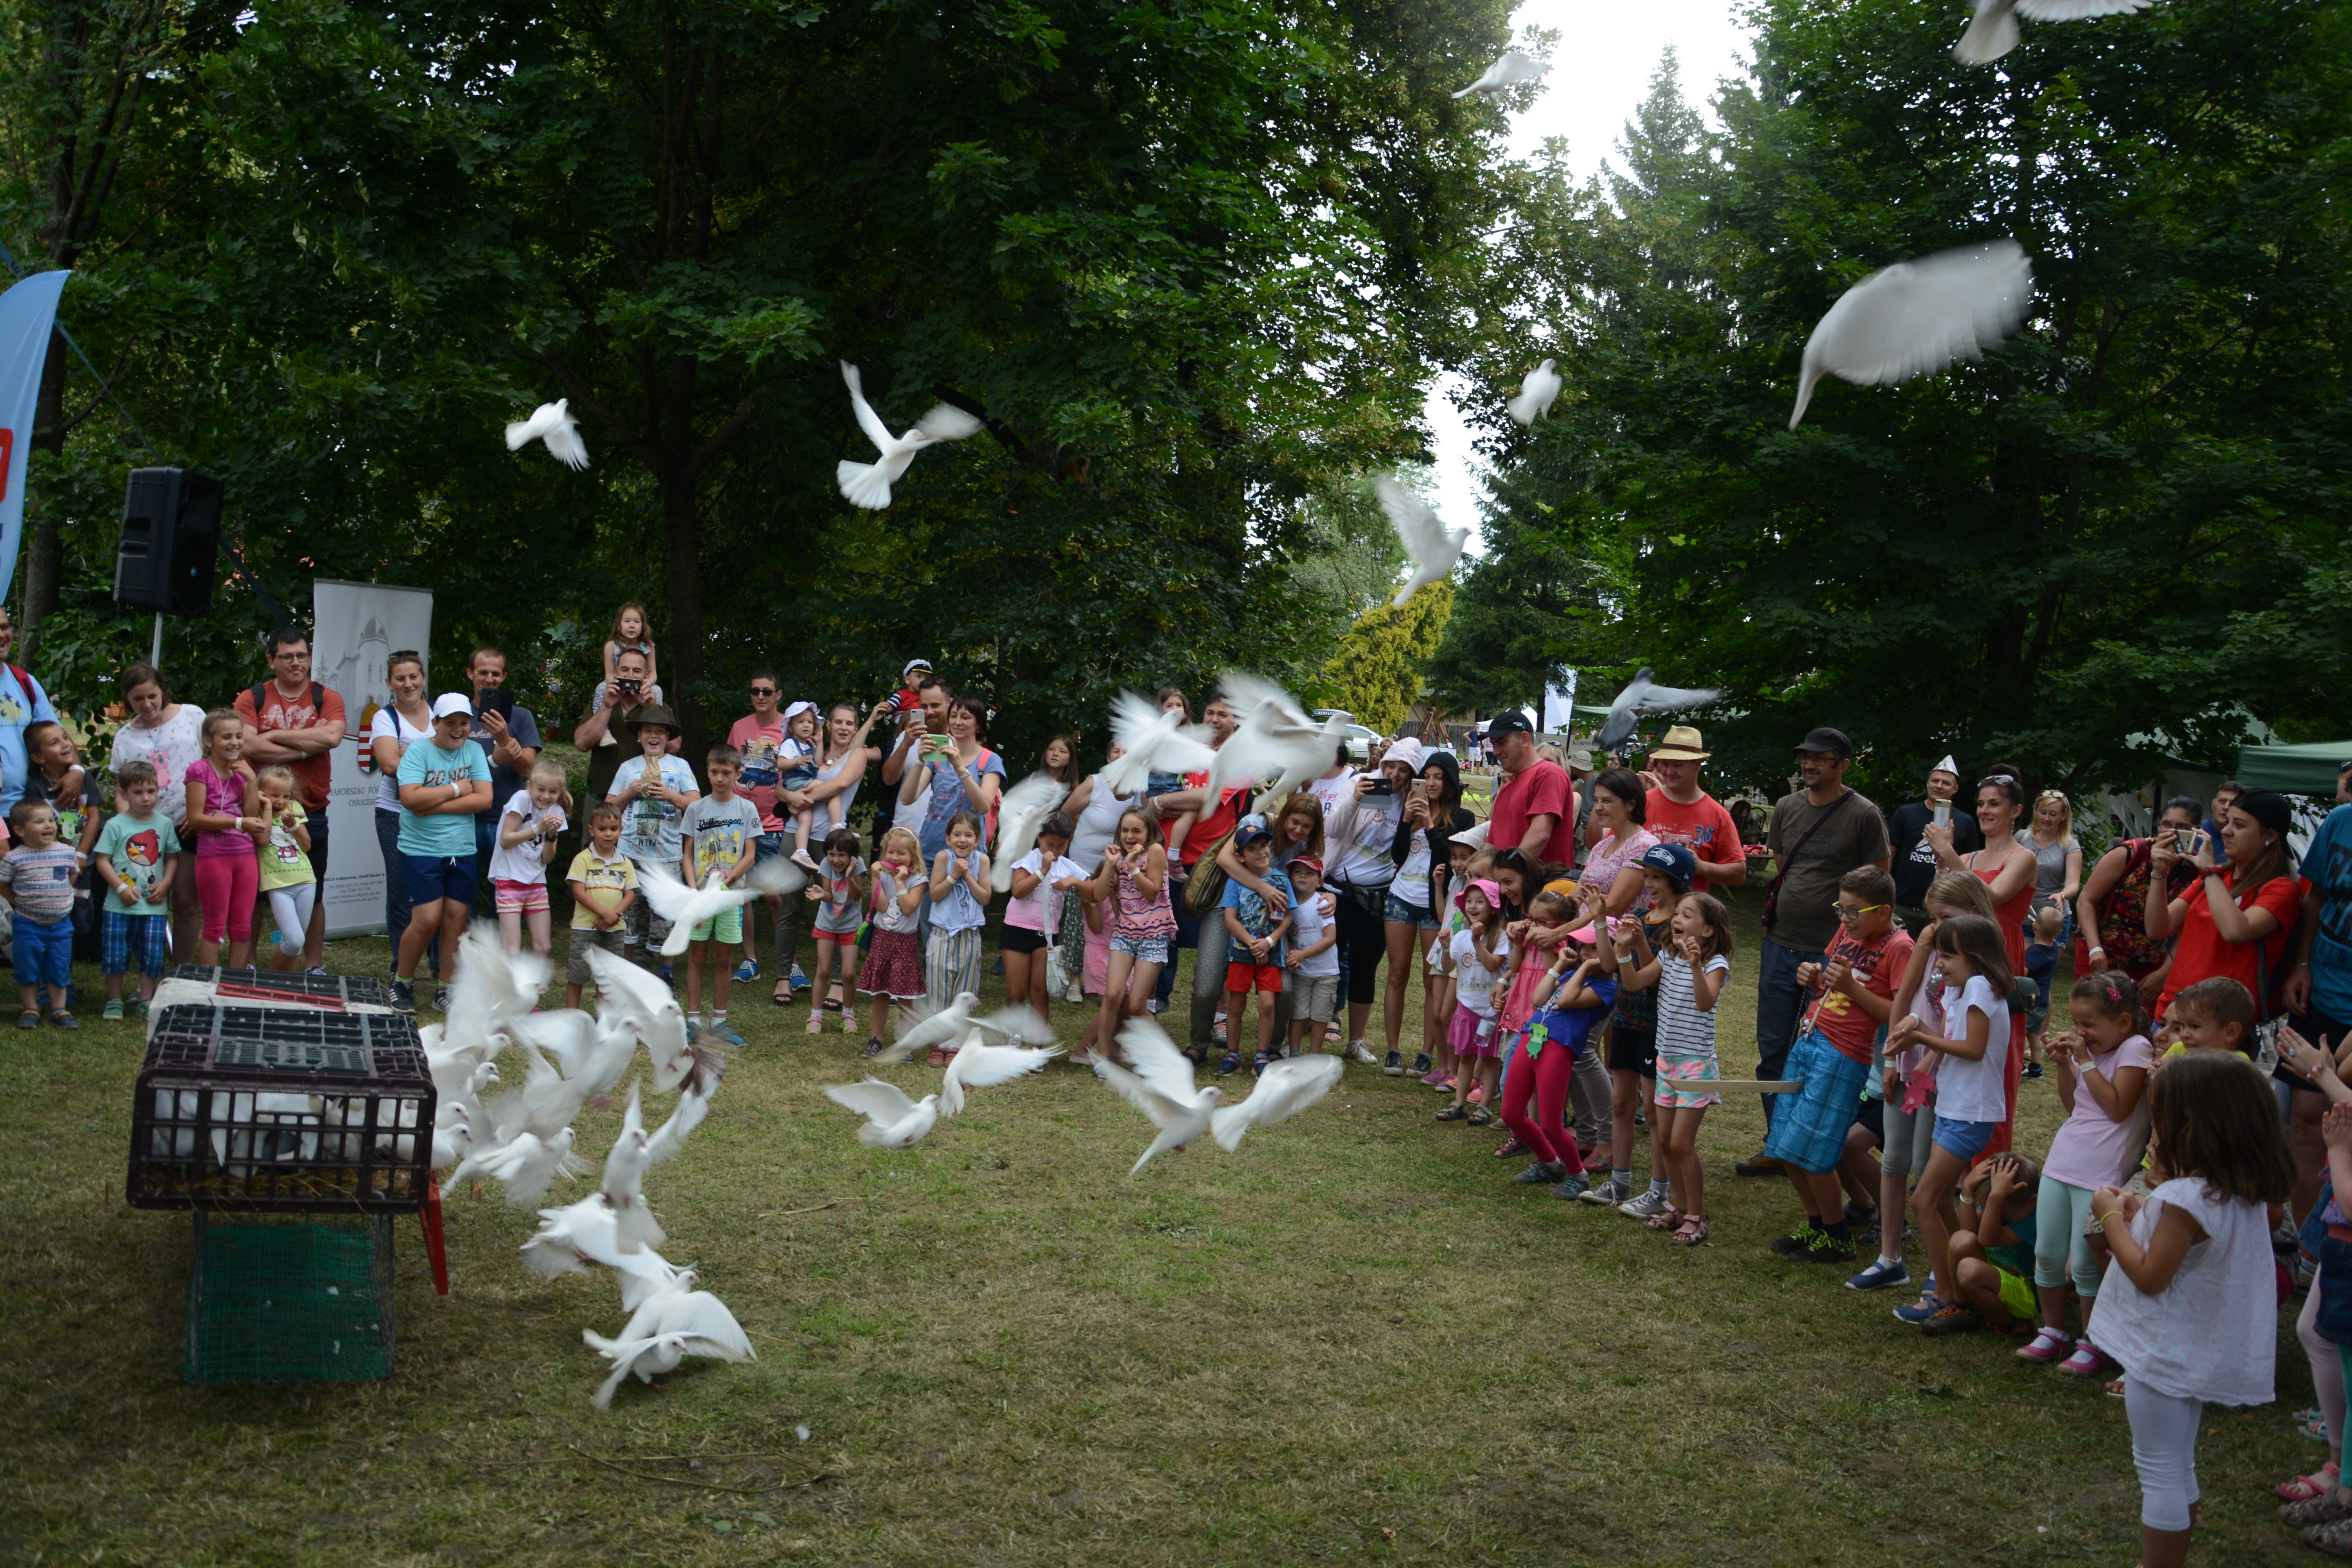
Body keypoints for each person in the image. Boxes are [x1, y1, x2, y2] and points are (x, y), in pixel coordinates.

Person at [2090, 1052, 2292, 1568]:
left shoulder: (2184, 1198)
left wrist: (2111, 1217)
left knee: (2158, 1469)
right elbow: (2187, 1250)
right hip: (2193, 1353)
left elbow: (2151, 1276)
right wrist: (2140, 1213)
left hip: (2163, 1357)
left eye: (2162, 1119)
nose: (2154, 1132)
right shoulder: (2237, 1193)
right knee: (2179, 1466)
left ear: (2192, 1126)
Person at [2144, 786, 2304, 1208]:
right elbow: (2158, 928)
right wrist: (2159, 874)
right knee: (2159, 1132)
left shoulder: (2281, 888)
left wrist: (2211, 873)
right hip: (2172, 1013)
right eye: (2226, 822)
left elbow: (2236, 929)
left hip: (2220, 1029)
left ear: (2270, 835)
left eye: (2239, 825)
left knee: (2199, 1135)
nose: (2226, 831)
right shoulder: (2215, 875)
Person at [1745, 727, 1891, 1173]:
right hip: (1780, 942)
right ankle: (1779, 1143)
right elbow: (1785, 864)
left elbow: (1879, 883)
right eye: (1805, 757)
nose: (1809, 765)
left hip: (1836, 954)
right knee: (1773, 1048)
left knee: (1824, 1053)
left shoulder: (1864, 814)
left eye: (1820, 758)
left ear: (1843, 763)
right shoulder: (1787, 807)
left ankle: (1818, 1149)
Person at [1852, 870, 2003, 1296]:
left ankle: (1947, 1268)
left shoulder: (1976, 963)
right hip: (1908, 1061)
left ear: (1973, 914)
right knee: (1894, 1157)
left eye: (1945, 917)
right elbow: (1904, 999)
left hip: (1941, 1073)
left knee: (1926, 1169)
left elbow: (1960, 1033)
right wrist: (1895, 1058)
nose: (1936, 926)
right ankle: (1889, 1256)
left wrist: (1926, 1064)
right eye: (1932, 917)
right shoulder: (1931, 943)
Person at [1765, 865, 1910, 1266]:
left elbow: (1898, 1013)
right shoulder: (1850, 931)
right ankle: (1816, 1223)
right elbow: (1828, 981)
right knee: (1785, 1143)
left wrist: (1851, 988)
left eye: (1853, 911)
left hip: (1844, 1055)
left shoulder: (1900, 947)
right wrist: (1813, 976)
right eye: (1840, 909)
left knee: (1814, 1150)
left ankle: (1837, 1235)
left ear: (1883, 912)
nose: (1844, 919)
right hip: (1810, 1039)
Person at [2014, 971, 2155, 1368]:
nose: (2081, 1031)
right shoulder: (2093, 1055)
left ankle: (2093, 1339)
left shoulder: (2136, 1049)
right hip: (2065, 1160)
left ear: (2123, 1022)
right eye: (2076, 1023)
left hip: (2102, 1171)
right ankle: (2054, 1330)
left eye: (2089, 1024)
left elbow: (2117, 1108)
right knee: (2047, 1252)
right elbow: (2078, 1108)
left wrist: (2085, 1059)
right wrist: (2065, 1066)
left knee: (2084, 1262)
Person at [1891, 912, 2011, 1328]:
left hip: (1970, 1112)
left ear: (1975, 956)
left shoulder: (1979, 986)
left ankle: (1946, 1295)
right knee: (1937, 1197)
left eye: (1947, 955)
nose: (1939, 964)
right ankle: (1962, 1285)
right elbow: (1954, 1038)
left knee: (1924, 1199)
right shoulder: (1965, 989)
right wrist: (1919, 1025)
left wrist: (1922, 1036)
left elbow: (1974, 1048)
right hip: (1954, 1107)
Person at [1921, 766, 2038, 1156]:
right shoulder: (1967, 857)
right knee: (1955, 1040)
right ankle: (1955, 1156)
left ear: (2015, 810)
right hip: (1962, 958)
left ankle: (1990, 1162)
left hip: (1999, 956)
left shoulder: (2024, 858)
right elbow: (1945, 898)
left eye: (1995, 804)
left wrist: (1948, 853)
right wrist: (1945, 860)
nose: (1986, 811)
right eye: (1981, 804)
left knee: (1998, 1060)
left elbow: (1992, 898)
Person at [233, 629, 347, 971]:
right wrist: (306, 745)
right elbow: (249, 747)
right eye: (287, 656)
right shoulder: (251, 698)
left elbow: (332, 736)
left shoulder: (327, 697)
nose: (296, 662)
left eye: (301, 655)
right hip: (259, 808)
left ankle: (313, 964)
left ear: (310, 659)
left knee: (313, 890)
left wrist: (274, 737)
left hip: (311, 808)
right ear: (272, 661)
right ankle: (250, 961)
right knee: (253, 892)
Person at [1499, 894, 1617, 1200]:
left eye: (1594, 947)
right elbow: (1539, 1000)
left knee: (1553, 1123)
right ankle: (1550, 1163)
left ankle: (1578, 1175)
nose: (1585, 952)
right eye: (1584, 946)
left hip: (1559, 1048)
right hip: (1533, 1037)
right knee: (1512, 1113)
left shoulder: (1606, 986)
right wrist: (1560, 968)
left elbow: (1565, 1001)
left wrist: (1583, 967)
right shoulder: (1570, 973)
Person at [1320, 737, 1419, 1068]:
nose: (1393, 774)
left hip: (1379, 894)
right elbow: (1332, 829)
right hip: (1339, 887)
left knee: (1365, 967)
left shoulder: (1408, 800)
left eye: (1403, 770)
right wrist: (1356, 800)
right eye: (1390, 765)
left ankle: (1356, 1041)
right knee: (1326, 965)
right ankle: (1317, 1039)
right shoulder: (1359, 783)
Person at [390, 694, 493, 1012]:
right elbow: (409, 799)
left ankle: (446, 989)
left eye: (464, 723)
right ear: (435, 723)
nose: (459, 729)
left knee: (456, 920)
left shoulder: (475, 750)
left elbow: (485, 800)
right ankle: (402, 982)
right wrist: (458, 789)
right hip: (421, 849)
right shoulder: (418, 752)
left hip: (461, 849)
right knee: (427, 919)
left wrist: (432, 803)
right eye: (450, 723)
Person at [1644, 890, 1733, 1247]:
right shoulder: (1667, 955)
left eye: (1687, 914)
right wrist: (1627, 945)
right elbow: (1636, 982)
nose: (1677, 919)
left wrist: (1696, 964)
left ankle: (1696, 1214)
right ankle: (1679, 1208)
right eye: (1677, 913)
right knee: (1665, 1140)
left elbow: (1704, 1003)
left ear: (1708, 930)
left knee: (1682, 1143)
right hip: (1666, 1060)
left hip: (1695, 1065)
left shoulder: (1716, 964)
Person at [1381, 750, 1473, 1076]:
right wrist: (1407, 820)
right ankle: (1393, 1050)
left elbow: (1448, 860)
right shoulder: (1409, 809)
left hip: (1437, 904)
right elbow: (1397, 855)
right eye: (1427, 777)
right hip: (1400, 898)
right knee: (1397, 974)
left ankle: (1426, 1051)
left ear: (1449, 782)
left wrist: (1431, 825)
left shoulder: (1462, 818)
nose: (1431, 784)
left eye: (1438, 777)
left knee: (1432, 980)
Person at [108, 662, 205, 958]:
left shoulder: (192, 715)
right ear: (127, 700)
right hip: (149, 831)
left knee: (186, 903)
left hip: (189, 824)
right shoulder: (124, 737)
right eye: (138, 699)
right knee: (148, 900)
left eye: (152, 696)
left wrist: (200, 811)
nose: (147, 704)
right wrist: (129, 828)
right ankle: (149, 970)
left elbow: (214, 765)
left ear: (163, 690)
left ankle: (183, 970)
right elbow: (121, 790)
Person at [680, 744, 760, 1049]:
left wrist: (727, 884)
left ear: (738, 774)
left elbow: (750, 856)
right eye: (714, 772)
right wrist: (692, 889)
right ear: (708, 771)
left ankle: (719, 1022)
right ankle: (692, 1022)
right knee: (697, 957)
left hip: (730, 899)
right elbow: (687, 855)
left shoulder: (747, 810)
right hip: (700, 897)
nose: (720, 778)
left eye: (727, 773)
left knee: (724, 959)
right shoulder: (696, 809)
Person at [2077, 796, 2203, 991]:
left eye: (2181, 827)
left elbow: (2186, 928)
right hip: (2102, 953)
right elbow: (2086, 900)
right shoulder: (2132, 852)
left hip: (2148, 962)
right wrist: (2095, 949)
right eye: (2166, 825)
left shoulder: (2195, 870)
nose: (2172, 833)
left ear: (2196, 831)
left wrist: (2165, 971)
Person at [609, 704, 699, 973]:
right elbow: (609, 809)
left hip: (668, 857)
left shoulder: (680, 766)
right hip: (630, 855)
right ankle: (628, 971)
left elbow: (696, 805)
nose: (654, 736)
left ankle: (665, 973)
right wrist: (629, 792)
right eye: (648, 730)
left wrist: (670, 795)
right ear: (639, 735)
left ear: (667, 737)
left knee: (665, 920)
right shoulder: (628, 768)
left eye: (660, 731)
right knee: (628, 917)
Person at [366, 652, 438, 977]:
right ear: (389, 683)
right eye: (400, 678)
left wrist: (407, 751)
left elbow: (461, 751)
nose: (408, 684)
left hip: (440, 815)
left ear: (423, 678)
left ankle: (439, 966)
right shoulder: (385, 718)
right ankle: (401, 967)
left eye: (414, 677)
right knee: (400, 891)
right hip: (395, 814)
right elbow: (390, 766)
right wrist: (433, 750)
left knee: (439, 893)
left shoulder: (441, 712)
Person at [1085, 807, 1174, 1060]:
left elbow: (1152, 893)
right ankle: (1103, 1058)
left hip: (1154, 935)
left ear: (1149, 833)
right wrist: (1111, 866)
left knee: (1136, 1004)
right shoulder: (1118, 858)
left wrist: (1133, 867)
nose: (1130, 836)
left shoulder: (1155, 852)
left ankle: (1157, 1058)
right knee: (1112, 995)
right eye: (1125, 830)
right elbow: (1100, 895)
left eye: (1137, 830)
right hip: (1125, 934)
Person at [94, 761, 177, 1019]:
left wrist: (166, 884)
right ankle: (115, 999)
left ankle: (146, 999)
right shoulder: (116, 825)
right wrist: (120, 888)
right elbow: (102, 861)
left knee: (152, 954)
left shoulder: (164, 824)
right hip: (119, 905)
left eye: (151, 791)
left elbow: (173, 857)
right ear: (123, 794)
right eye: (139, 792)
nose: (146, 798)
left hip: (153, 905)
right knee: (116, 953)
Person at [183, 708, 262, 972]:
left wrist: (251, 780)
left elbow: (252, 813)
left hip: (245, 855)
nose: (235, 743)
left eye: (239, 736)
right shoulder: (199, 770)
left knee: (242, 927)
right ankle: (210, 985)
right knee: (215, 926)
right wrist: (239, 823)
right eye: (226, 737)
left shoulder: (241, 771)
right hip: (214, 856)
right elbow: (196, 818)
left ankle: (235, 986)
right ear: (209, 741)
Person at [463, 647, 542, 902]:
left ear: (504, 676)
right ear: (470, 674)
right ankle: (463, 940)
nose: (489, 679)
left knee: (506, 896)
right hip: (465, 817)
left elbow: (529, 769)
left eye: (496, 673)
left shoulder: (520, 716)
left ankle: (506, 941)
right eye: (483, 672)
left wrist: (504, 738)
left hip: (509, 819)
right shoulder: (458, 716)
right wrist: (498, 758)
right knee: (464, 896)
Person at [1935, 1152, 2043, 1337]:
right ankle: (1965, 1310)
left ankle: (2013, 1326)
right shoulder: (2005, 1204)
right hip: (2000, 1277)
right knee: (1961, 1240)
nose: (1995, 1217)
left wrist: (1996, 1199)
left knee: (1969, 1270)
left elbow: (1986, 1240)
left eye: (2004, 1216)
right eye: (1991, 1208)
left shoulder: (2036, 1218)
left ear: (2033, 1201)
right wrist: (1968, 1189)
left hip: (2028, 1294)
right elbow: (1969, 1233)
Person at [1218, 824, 1293, 1076]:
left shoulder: (1282, 880)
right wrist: (1252, 943)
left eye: (1264, 845)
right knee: (1236, 1005)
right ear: (1240, 857)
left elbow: (1287, 917)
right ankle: (1233, 1055)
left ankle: (1261, 1056)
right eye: (1253, 848)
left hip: (1270, 956)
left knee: (1267, 1005)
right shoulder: (1235, 882)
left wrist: (1269, 943)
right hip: (1241, 953)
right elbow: (1230, 918)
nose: (1261, 851)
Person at [1638, 727, 1746, 894]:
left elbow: (1739, 874)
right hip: (1639, 915)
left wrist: (1701, 867)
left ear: (1698, 765)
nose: (1669, 772)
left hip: (1688, 916)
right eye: (1665, 764)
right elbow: (1613, 851)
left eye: (1678, 765)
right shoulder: (1642, 802)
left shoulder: (1717, 814)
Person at [1437, 877, 1509, 1123]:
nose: (1473, 906)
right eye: (1469, 901)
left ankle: (1485, 1105)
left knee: (1489, 1059)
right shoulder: (1461, 937)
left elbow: (1492, 965)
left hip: (1489, 1011)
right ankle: (1460, 1102)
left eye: (1481, 901)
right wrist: (1447, 948)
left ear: (1494, 908)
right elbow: (1449, 968)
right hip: (1466, 1007)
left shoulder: (1500, 937)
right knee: (1466, 1056)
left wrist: (1478, 941)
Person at [2, 800, 79, 1027]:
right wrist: (19, 903)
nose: (49, 826)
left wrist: (66, 895)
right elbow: (3, 885)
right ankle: (31, 1009)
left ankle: (59, 1009)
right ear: (19, 830)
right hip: (28, 923)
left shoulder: (66, 852)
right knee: (28, 966)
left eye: (51, 820)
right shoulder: (14, 858)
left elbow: (73, 873)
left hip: (61, 924)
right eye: (39, 822)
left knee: (59, 965)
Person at [924, 810, 992, 1057]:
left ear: (978, 839)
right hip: (942, 935)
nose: (962, 840)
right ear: (948, 838)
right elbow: (935, 895)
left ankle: (956, 1044)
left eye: (969, 836)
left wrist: (967, 876)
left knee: (964, 993)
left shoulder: (982, 861)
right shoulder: (943, 857)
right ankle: (938, 1044)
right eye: (957, 835)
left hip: (970, 937)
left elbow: (985, 898)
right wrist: (954, 875)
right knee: (940, 991)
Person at [1888, 756, 1982, 931]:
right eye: (1935, 781)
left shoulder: (1965, 821)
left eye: (1946, 783)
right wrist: (1884, 894)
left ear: (1956, 789)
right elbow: (1889, 855)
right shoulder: (1905, 813)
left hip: (1945, 907)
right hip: (1902, 905)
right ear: (1928, 784)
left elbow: (1970, 863)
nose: (1939, 786)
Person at [858, 826, 929, 1055]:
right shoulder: (883, 876)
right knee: (881, 994)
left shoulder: (919, 880)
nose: (895, 858)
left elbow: (908, 909)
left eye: (902, 854)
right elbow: (881, 906)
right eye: (891, 852)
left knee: (906, 998)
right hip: (882, 940)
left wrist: (900, 883)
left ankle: (906, 1044)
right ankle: (876, 1039)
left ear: (913, 856)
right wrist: (876, 877)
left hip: (904, 944)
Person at [491, 757, 571, 960]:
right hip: (509, 877)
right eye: (541, 790)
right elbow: (506, 841)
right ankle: (507, 990)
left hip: (535, 881)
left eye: (553, 792)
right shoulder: (520, 799)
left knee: (544, 948)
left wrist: (552, 836)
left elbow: (547, 859)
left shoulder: (557, 811)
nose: (546, 797)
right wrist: (539, 828)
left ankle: (535, 989)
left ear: (560, 793)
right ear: (530, 786)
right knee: (512, 950)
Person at [563, 803, 637, 1011]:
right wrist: (605, 914)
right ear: (592, 830)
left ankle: (604, 1020)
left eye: (614, 829)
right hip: (585, 928)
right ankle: (573, 1017)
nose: (608, 834)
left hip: (614, 928)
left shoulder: (625, 863)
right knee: (578, 974)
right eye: (602, 829)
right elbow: (579, 892)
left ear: (621, 830)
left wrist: (614, 916)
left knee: (607, 978)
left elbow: (629, 894)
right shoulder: (582, 859)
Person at [1003, 811, 1073, 1024]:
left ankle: (1036, 1049)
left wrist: (1077, 883)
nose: (1056, 851)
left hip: (1047, 937)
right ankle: (1013, 1043)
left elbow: (1093, 891)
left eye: (1062, 846)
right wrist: (1043, 871)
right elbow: (1018, 890)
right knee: (1017, 993)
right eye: (1051, 844)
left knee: (1040, 993)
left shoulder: (1068, 866)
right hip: (1017, 930)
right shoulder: (1027, 860)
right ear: (1039, 837)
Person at [572, 646, 666, 805]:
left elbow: (674, 747)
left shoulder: (655, 702)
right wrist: (607, 706)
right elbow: (582, 744)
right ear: (616, 673)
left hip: (644, 801)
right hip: (600, 799)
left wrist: (651, 709)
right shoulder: (603, 700)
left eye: (637, 671)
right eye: (625, 670)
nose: (630, 676)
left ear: (647, 675)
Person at [803, 828, 868, 1034]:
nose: (836, 860)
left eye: (842, 855)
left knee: (849, 974)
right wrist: (822, 894)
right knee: (824, 970)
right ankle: (815, 1016)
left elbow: (857, 897)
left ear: (852, 856)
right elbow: (830, 896)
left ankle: (848, 1014)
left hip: (851, 925)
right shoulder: (825, 865)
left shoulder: (859, 867)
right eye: (832, 854)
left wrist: (849, 877)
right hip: (827, 924)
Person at [252, 764, 316, 973]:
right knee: (295, 940)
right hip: (278, 885)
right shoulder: (258, 812)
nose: (281, 801)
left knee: (296, 943)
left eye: (286, 796)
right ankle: (270, 980)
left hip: (306, 881)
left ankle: (286, 987)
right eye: (274, 795)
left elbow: (306, 846)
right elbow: (262, 841)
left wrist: (294, 826)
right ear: (261, 793)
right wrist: (266, 806)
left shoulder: (295, 808)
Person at [1483, 711, 1570, 863]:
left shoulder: (1549, 774)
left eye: (1502, 742)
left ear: (1524, 739)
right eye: (1494, 744)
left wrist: (1505, 874)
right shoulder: (1505, 789)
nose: (1496, 751)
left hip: (1543, 885)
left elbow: (1539, 836)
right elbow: (1491, 845)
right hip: (1508, 885)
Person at [1284, 855, 1342, 1062]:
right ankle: (1295, 1054)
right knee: (1298, 1014)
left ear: (1320, 881)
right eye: (1298, 872)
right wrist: (1292, 952)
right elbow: (1289, 935)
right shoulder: (1289, 906)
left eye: (1310, 873)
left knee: (1320, 1017)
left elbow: (1331, 938)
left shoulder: (1321, 904)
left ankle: (1315, 1057)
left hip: (1326, 973)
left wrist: (1303, 955)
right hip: (1302, 972)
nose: (1303, 877)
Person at [0, 608, 58, 814]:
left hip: (19, 814)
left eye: (4, 627)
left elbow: (57, 741)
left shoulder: (25, 684)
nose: (1, 635)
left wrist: (76, 772)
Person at [604, 601, 658, 691]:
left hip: (640, 684)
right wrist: (617, 682)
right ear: (619, 625)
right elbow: (609, 674)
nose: (632, 626)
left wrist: (648, 683)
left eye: (637, 622)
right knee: (602, 688)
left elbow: (653, 674)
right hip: (618, 684)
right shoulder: (611, 647)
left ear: (643, 626)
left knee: (657, 691)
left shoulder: (648, 647)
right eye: (627, 621)